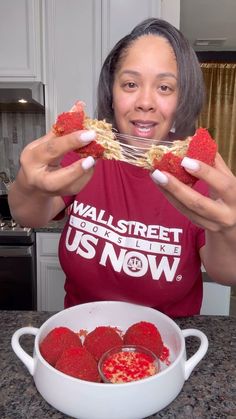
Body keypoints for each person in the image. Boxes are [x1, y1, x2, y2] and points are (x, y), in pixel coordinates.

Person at [8, 18, 236, 317]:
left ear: (181, 99)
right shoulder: (84, 153)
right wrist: (28, 183)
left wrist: (229, 228)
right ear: (111, 93)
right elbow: (29, 215)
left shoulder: (197, 176)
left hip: (166, 347)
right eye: (130, 84)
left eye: (165, 87)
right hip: (82, 337)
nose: (145, 102)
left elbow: (226, 274)